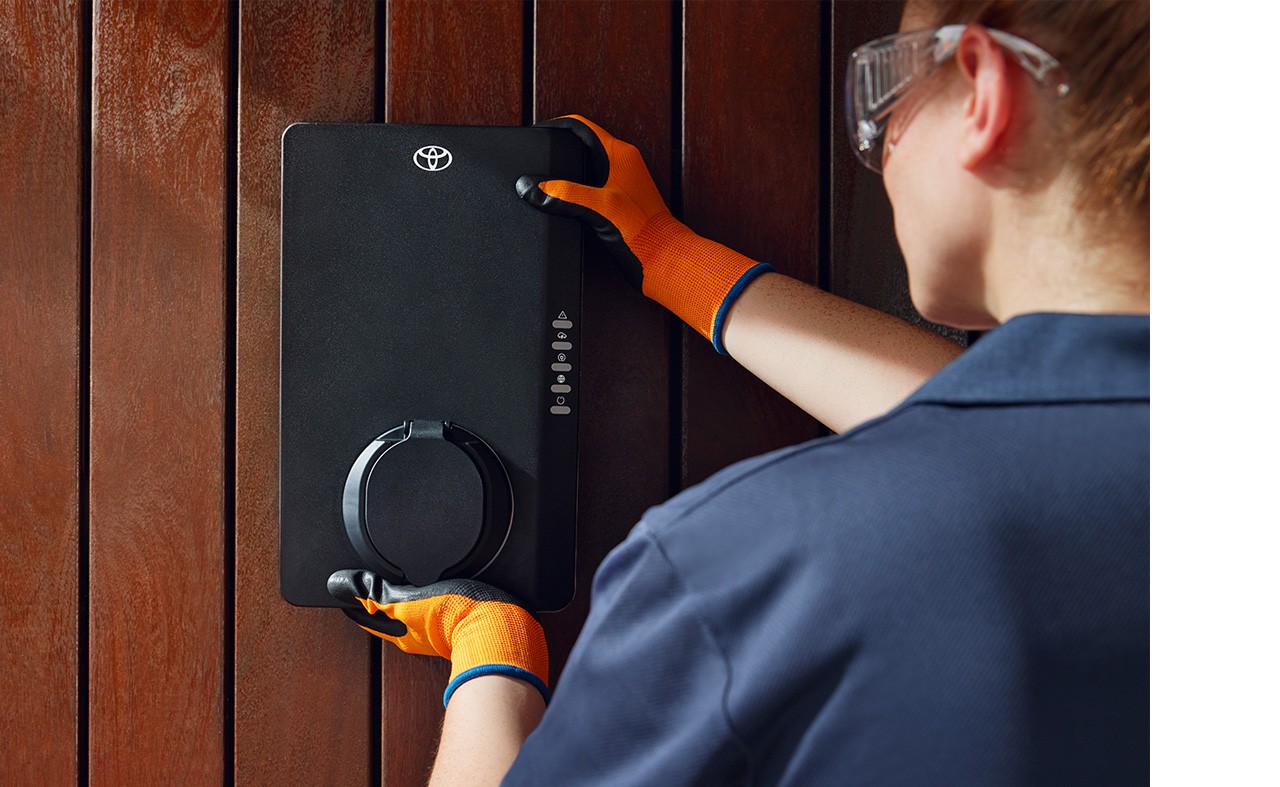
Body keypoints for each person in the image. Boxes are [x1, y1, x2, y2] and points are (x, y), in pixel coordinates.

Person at [326, 0, 1150, 783]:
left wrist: (491, 654)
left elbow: (988, 456)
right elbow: (1017, 434)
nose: (882, 144)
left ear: (982, 91)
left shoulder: (750, 568)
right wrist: (671, 256)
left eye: (889, 99)